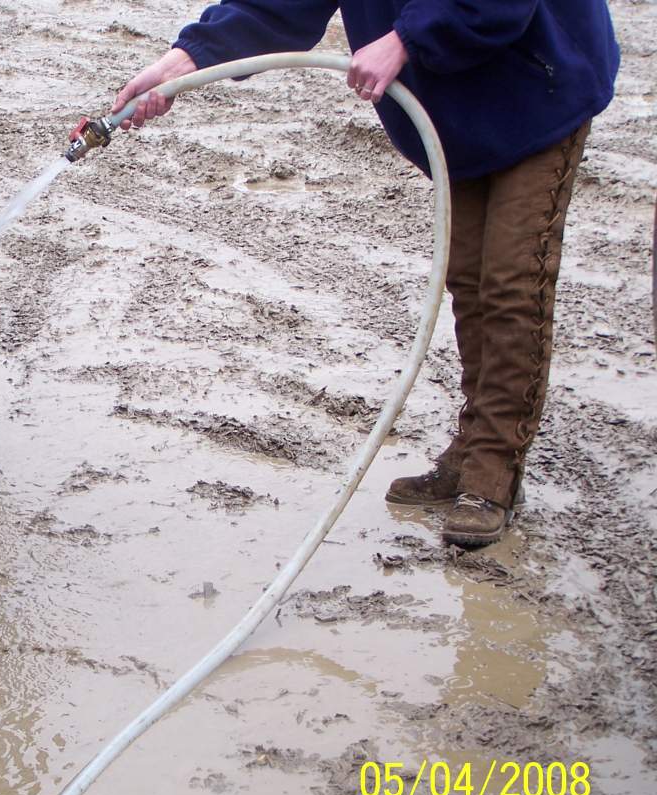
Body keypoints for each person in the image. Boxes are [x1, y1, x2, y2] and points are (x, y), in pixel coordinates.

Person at [115, 1, 619, 548]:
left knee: (512, 281)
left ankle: (494, 471)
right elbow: (279, 6)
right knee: (470, 279)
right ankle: (473, 449)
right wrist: (185, 60)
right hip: (458, 102)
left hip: (539, 82)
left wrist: (405, 38)